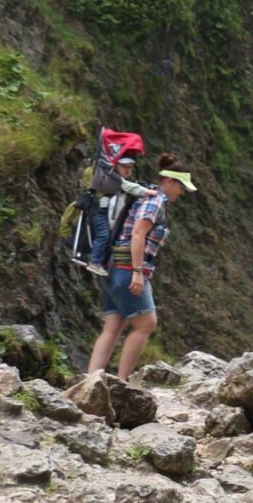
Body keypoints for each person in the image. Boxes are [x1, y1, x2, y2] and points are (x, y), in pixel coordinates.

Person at [86, 153, 197, 379]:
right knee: (146, 323)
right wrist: (137, 273)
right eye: (181, 187)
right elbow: (138, 234)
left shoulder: (141, 197)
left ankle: (91, 381)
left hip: (111, 265)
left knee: (113, 327)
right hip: (127, 268)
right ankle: (123, 382)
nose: (182, 193)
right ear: (169, 181)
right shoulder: (155, 201)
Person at [78, 154, 154, 277]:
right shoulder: (114, 178)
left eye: (130, 167)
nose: (128, 169)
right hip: (100, 211)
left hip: (106, 212)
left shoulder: (116, 178)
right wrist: (147, 192)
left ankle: (100, 261)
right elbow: (130, 187)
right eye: (124, 166)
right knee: (103, 235)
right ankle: (94, 262)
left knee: (108, 237)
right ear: (116, 166)